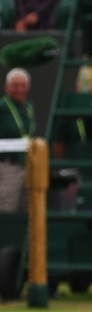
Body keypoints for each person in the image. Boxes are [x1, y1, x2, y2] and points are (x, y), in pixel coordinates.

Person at [0, 69, 31, 213]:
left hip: (27, 167)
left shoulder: (29, 108)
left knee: (27, 211)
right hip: (6, 168)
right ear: (6, 87)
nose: (20, 89)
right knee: (6, 209)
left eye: (23, 85)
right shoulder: (2, 107)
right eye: (15, 85)